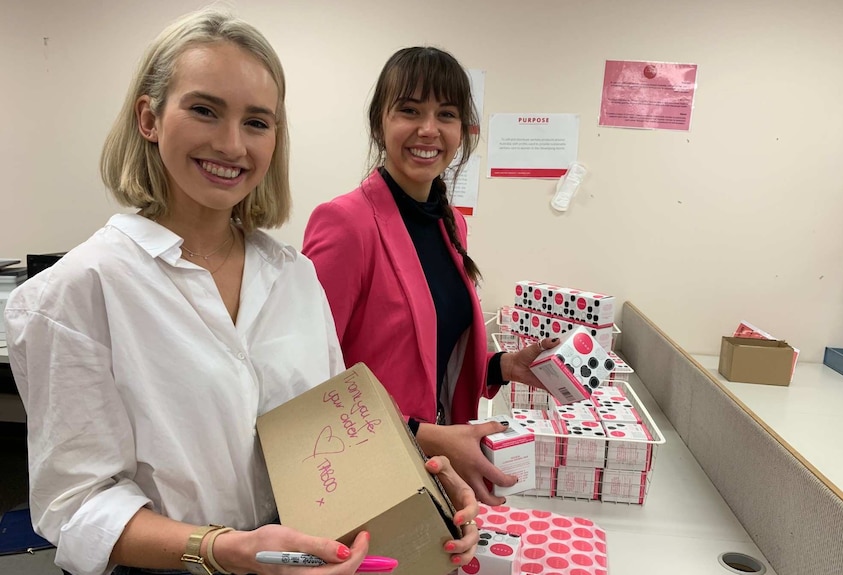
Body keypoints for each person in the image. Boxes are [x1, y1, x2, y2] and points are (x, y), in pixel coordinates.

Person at [4, 12, 478, 575]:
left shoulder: (293, 277)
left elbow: (333, 437)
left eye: (257, 122)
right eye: (205, 110)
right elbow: (77, 505)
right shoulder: (76, 293)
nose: (232, 144)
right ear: (149, 117)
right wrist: (222, 548)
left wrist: (419, 482)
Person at [302, 46, 558, 506]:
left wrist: (503, 366)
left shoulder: (450, 223)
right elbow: (307, 385)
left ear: (462, 130)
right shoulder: (346, 223)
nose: (428, 129)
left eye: (446, 114)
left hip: (430, 471)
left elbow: (424, 354)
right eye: (409, 110)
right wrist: (424, 434)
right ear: (380, 121)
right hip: (361, 473)